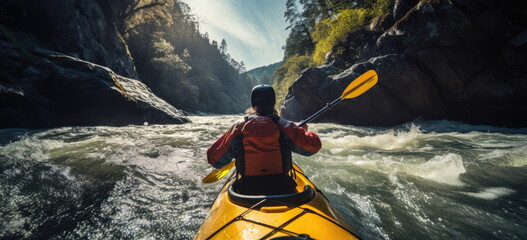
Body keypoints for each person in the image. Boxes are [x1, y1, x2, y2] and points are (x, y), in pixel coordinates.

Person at [207, 84, 321, 195]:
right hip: (282, 188)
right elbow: (313, 147)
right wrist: (304, 131)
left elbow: (214, 159)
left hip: (246, 189)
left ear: (253, 103)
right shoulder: (285, 125)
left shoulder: (239, 126)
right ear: (273, 103)